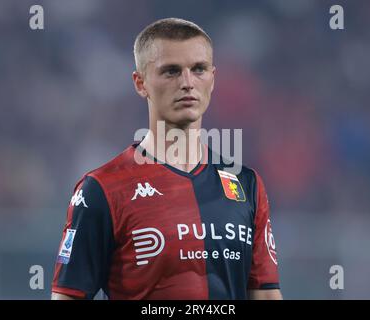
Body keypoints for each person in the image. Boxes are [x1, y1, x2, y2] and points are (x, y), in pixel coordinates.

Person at [51, 17, 282, 300]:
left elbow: (266, 295)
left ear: (213, 78)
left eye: (198, 69)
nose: (187, 83)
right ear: (140, 83)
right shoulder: (101, 190)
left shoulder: (247, 184)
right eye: (171, 71)